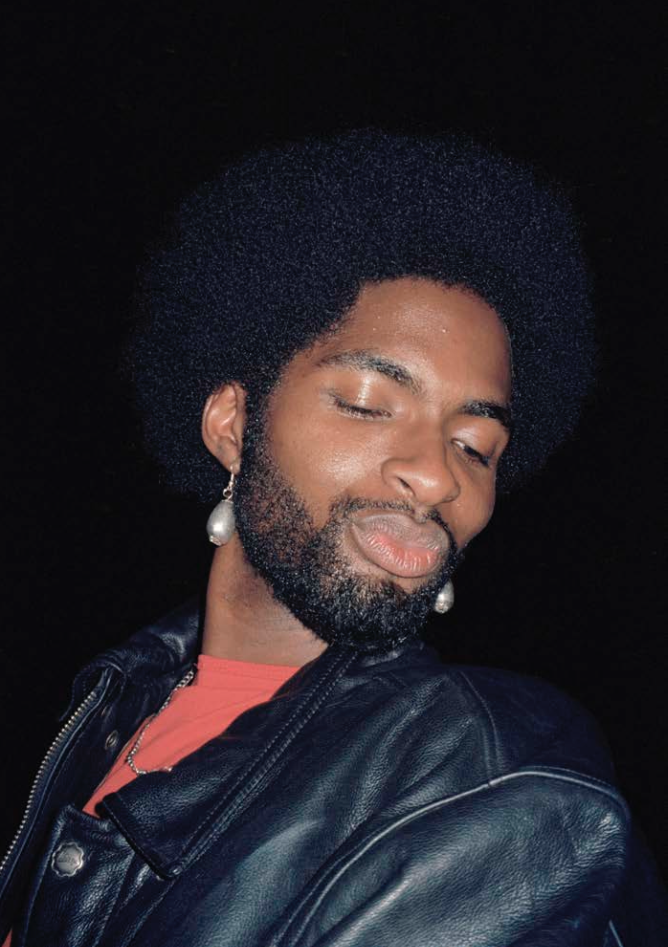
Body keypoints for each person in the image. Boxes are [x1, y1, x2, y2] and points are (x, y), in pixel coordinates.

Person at [0, 131, 665, 946]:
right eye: (367, 403)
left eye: (475, 446)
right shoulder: (114, 698)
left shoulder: (493, 781)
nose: (437, 476)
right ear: (233, 426)